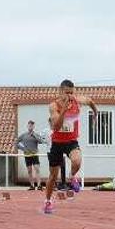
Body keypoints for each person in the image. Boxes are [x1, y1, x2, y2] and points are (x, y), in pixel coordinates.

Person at [42, 80, 98, 214]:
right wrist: (64, 111)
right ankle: (48, 201)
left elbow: (90, 101)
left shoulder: (77, 101)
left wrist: (95, 114)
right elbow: (56, 126)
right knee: (53, 176)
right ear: (60, 91)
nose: (69, 96)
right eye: (67, 93)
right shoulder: (53, 106)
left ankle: (72, 176)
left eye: (71, 93)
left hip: (71, 141)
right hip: (57, 142)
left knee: (77, 161)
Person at [16, 120, 44, 190]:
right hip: (27, 155)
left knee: (37, 169)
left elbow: (41, 141)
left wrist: (34, 135)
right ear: (27, 126)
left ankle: (39, 185)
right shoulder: (23, 135)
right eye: (29, 125)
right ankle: (32, 185)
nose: (30, 126)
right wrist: (22, 148)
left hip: (34, 154)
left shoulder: (36, 134)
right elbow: (16, 142)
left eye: (32, 125)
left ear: (33, 126)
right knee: (29, 171)